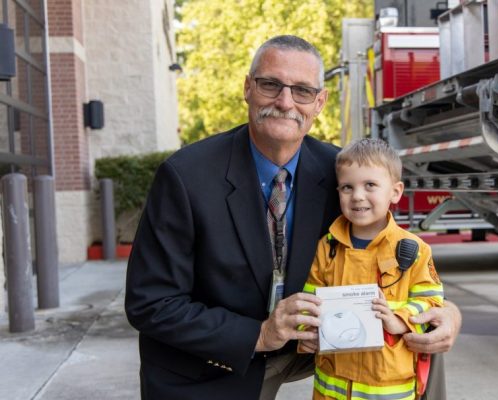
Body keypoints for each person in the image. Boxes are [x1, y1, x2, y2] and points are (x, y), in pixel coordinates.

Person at [125, 35, 461, 400]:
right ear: (248, 88)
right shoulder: (186, 177)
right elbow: (151, 302)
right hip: (225, 355)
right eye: (271, 85)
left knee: (421, 340)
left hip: (317, 343)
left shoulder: (342, 174)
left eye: (302, 90)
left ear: (319, 102)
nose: (285, 102)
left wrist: (448, 313)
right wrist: (260, 334)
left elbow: (394, 251)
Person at [299, 138, 444, 400]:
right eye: (347, 187)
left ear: (395, 191)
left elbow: (431, 301)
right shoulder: (326, 246)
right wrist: (306, 334)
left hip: (388, 386)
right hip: (331, 387)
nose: (357, 196)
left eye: (370, 185)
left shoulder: (414, 249)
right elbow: (309, 298)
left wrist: (399, 319)